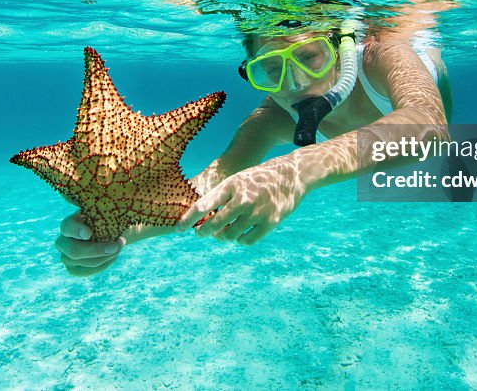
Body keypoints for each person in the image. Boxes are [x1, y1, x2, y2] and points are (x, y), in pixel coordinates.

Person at [54, 22, 452, 276]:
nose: (294, 83)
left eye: (310, 57)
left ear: (340, 48)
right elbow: (209, 182)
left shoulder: (380, 55)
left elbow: (430, 124)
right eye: (270, 69)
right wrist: (113, 233)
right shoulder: (276, 116)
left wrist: (292, 171)